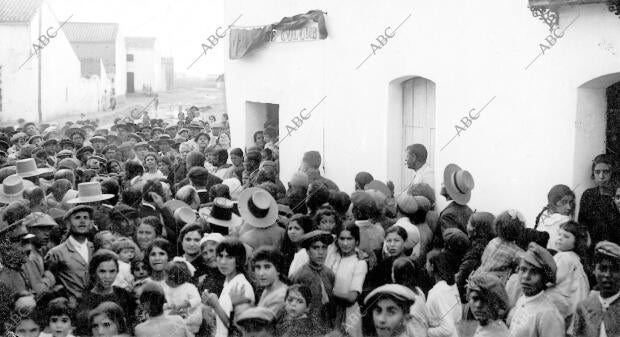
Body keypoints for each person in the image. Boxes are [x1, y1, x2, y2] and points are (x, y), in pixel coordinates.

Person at [507, 242, 565, 337]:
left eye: (534, 272)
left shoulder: (548, 314)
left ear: (544, 278)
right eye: (523, 269)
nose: (526, 277)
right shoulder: (522, 299)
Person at [201, 238, 255, 337]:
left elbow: (239, 331)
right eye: (220, 256)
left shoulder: (241, 287)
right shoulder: (228, 282)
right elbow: (226, 317)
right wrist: (209, 307)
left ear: (239, 260)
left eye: (229, 257)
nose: (223, 262)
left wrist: (216, 305)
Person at [75, 249, 135, 336]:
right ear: (93, 272)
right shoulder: (84, 298)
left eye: (112, 271)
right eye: (102, 271)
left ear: (117, 272)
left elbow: (137, 316)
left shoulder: (123, 293)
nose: (108, 276)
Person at [44, 205, 95, 304]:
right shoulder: (56, 253)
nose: (82, 221)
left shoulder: (95, 248)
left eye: (86, 218)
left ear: (90, 223)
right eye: (77, 218)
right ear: (68, 223)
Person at [324, 222, 368, 336]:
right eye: (342, 238)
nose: (345, 243)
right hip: (330, 312)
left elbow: (352, 297)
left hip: (349, 315)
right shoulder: (334, 257)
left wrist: (327, 292)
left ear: (357, 241)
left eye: (350, 239)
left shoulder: (359, 263)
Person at [289, 230, 336, 334]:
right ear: (308, 251)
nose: (321, 252)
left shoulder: (329, 274)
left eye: (324, 247)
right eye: (315, 248)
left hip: (326, 327)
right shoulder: (299, 276)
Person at [573, 241, 620, 337]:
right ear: (594, 270)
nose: (607, 275)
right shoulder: (583, 308)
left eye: (614, 269)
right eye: (602, 269)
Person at [549, 221, 589, 326]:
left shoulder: (565, 257)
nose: (560, 238)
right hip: (575, 300)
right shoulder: (574, 257)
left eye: (566, 236)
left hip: (567, 301)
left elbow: (553, 278)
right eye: (559, 234)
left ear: (576, 242)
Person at [473, 210, 525, 284]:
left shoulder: (493, 241)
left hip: (478, 276)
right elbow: (525, 262)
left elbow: (484, 258)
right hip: (493, 283)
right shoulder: (516, 251)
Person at [578, 154, 617, 248]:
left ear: (612, 173)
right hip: (593, 248)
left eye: (606, 172)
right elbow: (582, 224)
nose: (601, 176)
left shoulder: (617, 196)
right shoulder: (588, 195)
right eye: (597, 172)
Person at [456, 212, 495, 303]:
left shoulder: (475, 251)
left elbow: (461, 279)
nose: (466, 225)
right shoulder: (491, 244)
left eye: (469, 223)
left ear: (476, 229)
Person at [433, 163, 474, 248]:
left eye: (444, 183)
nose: (442, 184)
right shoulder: (468, 210)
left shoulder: (448, 215)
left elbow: (451, 243)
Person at [391, 257, 430, 337]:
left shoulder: (405, 299)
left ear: (398, 275)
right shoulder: (418, 290)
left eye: (392, 272)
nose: (391, 274)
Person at [426, 250, 461, 337]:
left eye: (426, 262)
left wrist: (425, 332)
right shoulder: (451, 287)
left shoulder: (439, 292)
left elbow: (447, 329)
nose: (425, 265)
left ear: (432, 266)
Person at [163, 261, 202, 336]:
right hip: (174, 315)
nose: (164, 280)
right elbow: (166, 301)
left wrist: (189, 303)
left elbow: (197, 299)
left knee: (186, 327)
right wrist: (168, 305)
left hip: (189, 314)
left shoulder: (189, 287)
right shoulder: (167, 288)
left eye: (166, 277)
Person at [534, 184, 574, 251]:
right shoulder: (565, 220)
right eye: (564, 202)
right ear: (553, 202)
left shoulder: (543, 214)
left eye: (570, 202)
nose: (569, 207)